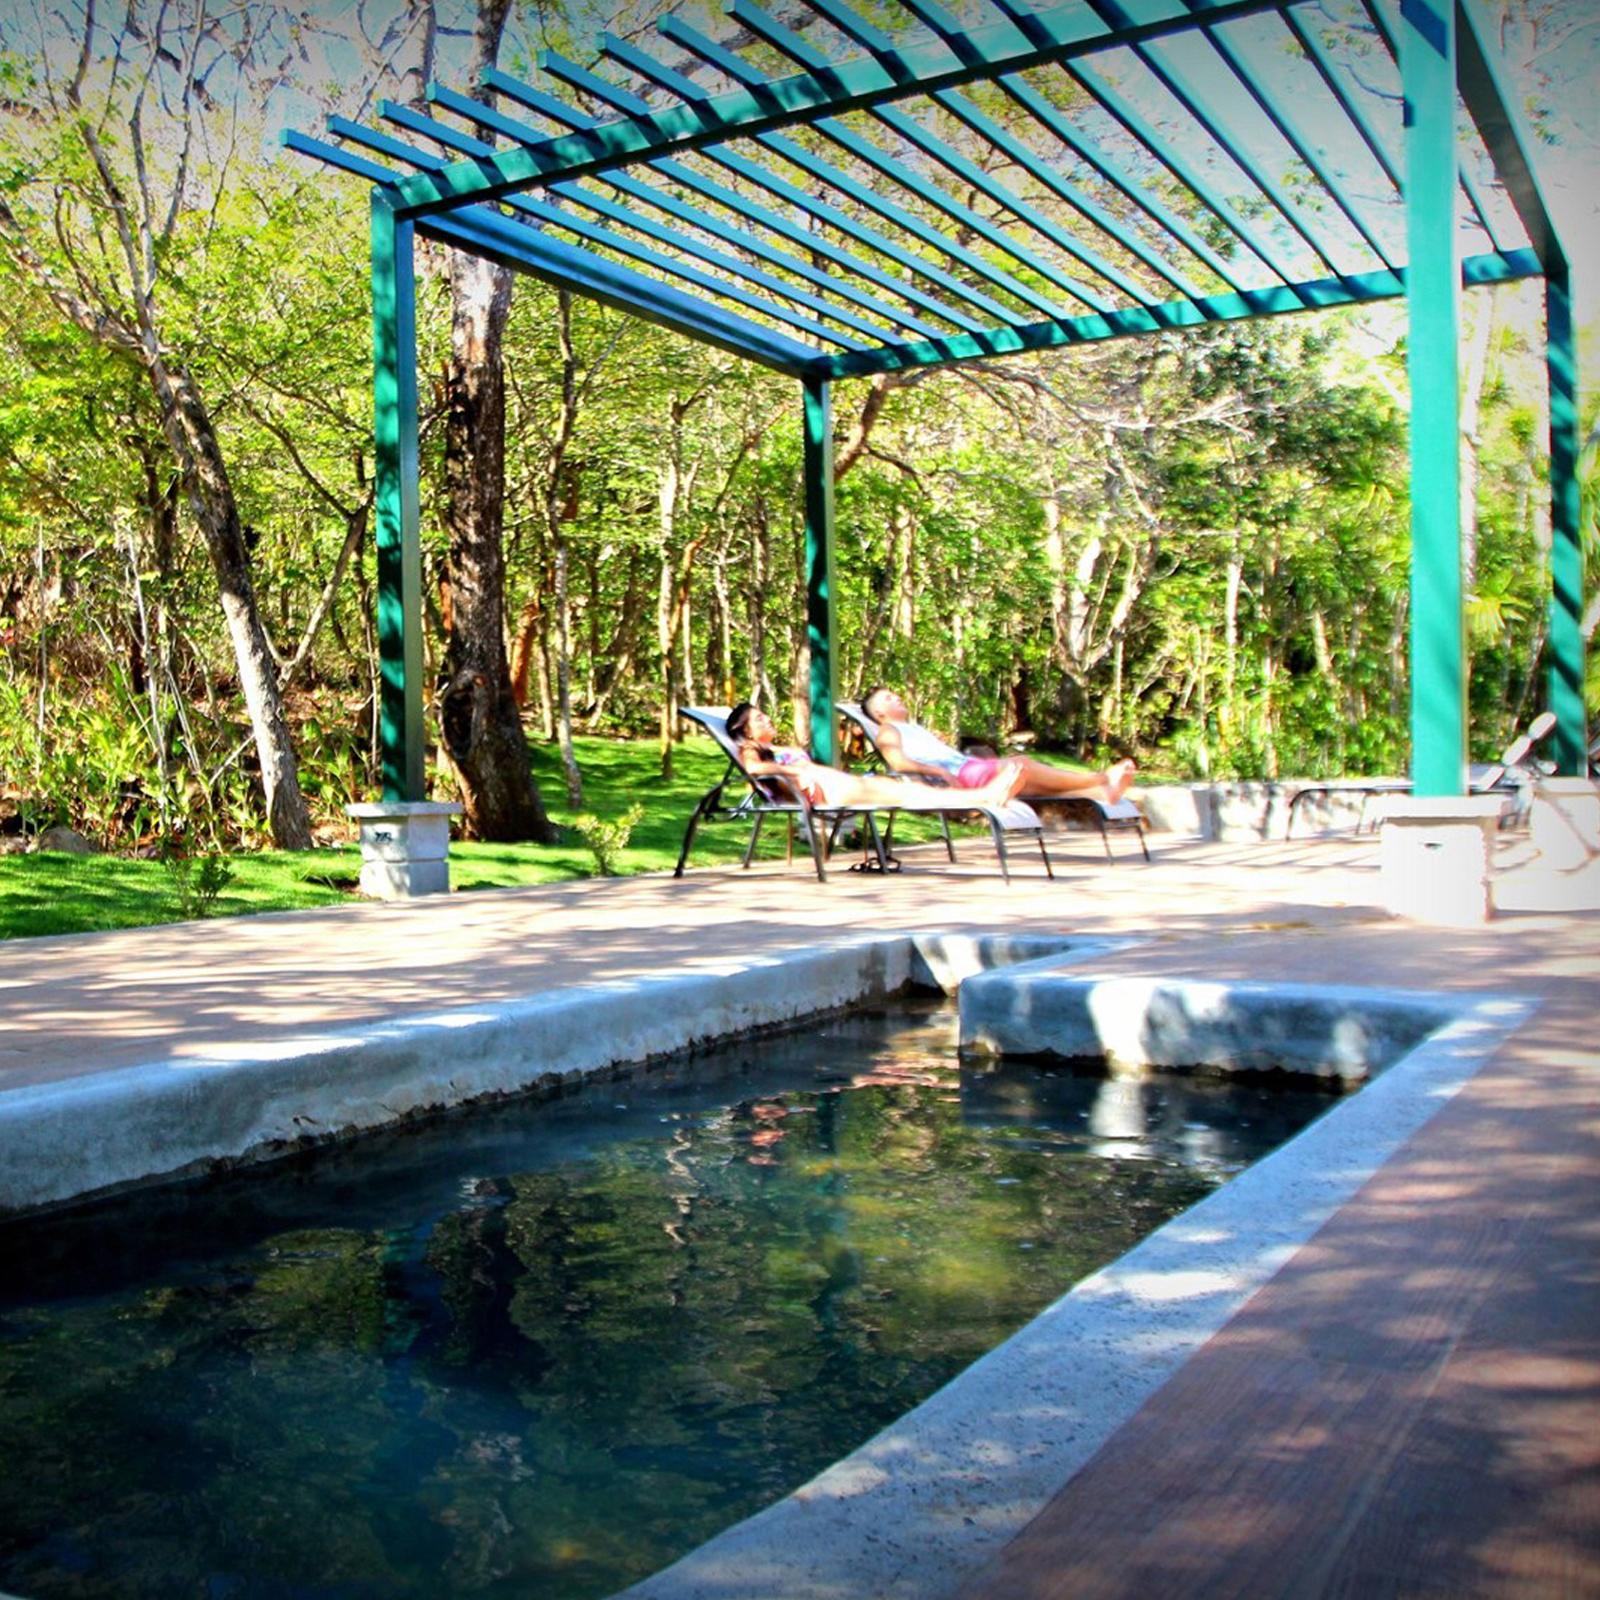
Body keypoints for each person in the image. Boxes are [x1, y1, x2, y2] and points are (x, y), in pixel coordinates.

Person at [727, 702, 1026, 812]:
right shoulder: (752, 750)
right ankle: (984, 797)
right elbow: (752, 769)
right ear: (745, 729)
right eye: (759, 718)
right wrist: (795, 772)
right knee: (909, 793)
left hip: (837, 784)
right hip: (827, 791)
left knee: (909, 790)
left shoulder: (781, 750)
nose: (767, 720)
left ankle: (983, 797)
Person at [860, 686, 1136, 804]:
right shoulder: (888, 730)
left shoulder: (913, 728)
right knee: (1021, 765)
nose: (897, 698)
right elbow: (897, 763)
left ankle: (1101, 793)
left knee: (1035, 785)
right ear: (879, 714)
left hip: (968, 768)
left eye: (894, 694)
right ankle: (1101, 779)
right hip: (960, 775)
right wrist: (938, 772)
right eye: (888, 699)